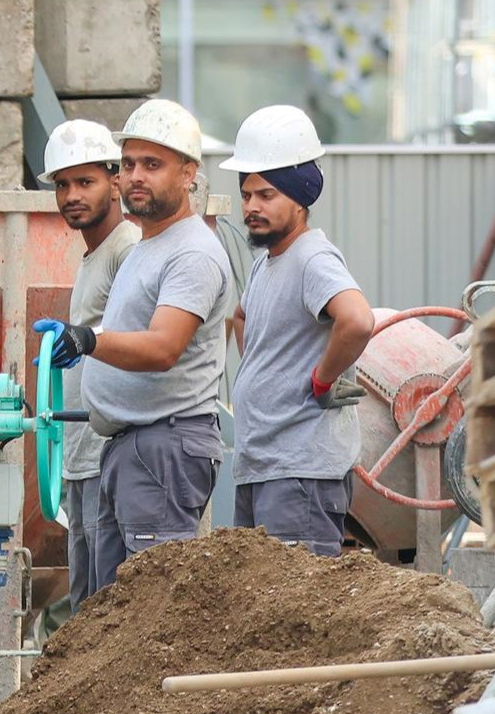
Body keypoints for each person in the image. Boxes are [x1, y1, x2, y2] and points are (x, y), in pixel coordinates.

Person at [34, 99, 231, 591]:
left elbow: (164, 347)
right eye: (130, 164)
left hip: (162, 447)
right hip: (133, 447)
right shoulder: (149, 245)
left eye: (153, 164)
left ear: (189, 174)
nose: (136, 176)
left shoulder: (191, 252)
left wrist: (87, 339)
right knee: (112, 616)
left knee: (150, 608)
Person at [220, 105, 374, 556]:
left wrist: (322, 379)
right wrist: (266, 373)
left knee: (294, 615)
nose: (251, 207)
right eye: (246, 195)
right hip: (264, 468)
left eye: (266, 195)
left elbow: (358, 320)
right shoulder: (267, 262)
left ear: (300, 195)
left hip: (300, 475)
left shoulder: (312, 258)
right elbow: (241, 316)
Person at [37, 120, 140, 612]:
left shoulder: (127, 250)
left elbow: (137, 345)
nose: (71, 195)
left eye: (85, 182)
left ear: (115, 181)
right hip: (81, 456)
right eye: (62, 184)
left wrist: (83, 341)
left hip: (106, 456)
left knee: (102, 608)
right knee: (84, 605)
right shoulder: (95, 255)